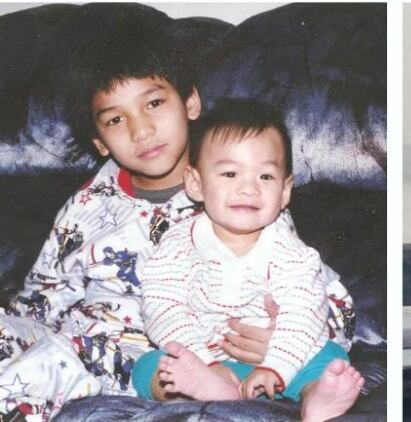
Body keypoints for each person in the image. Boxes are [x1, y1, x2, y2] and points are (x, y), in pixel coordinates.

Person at [0, 18, 353, 421]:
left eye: (153, 103)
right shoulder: (86, 203)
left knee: (48, 364)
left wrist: (281, 341)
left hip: (146, 354)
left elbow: (320, 293)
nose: (142, 129)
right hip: (77, 332)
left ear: (190, 103)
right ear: (100, 141)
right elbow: (45, 291)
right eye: (116, 119)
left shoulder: (237, 194)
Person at [134, 100, 364, 421]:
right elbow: (162, 307)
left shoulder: (291, 251)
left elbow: (304, 313)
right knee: (148, 367)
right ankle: (205, 389)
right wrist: (204, 363)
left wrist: (276, 367)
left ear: (284, 192)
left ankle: (317, 401)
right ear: (196, 184)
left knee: (330, 356)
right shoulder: (176, 244)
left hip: (279, 356)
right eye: (230, 173)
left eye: (266, 177)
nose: (248, 189)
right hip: (202, 359)